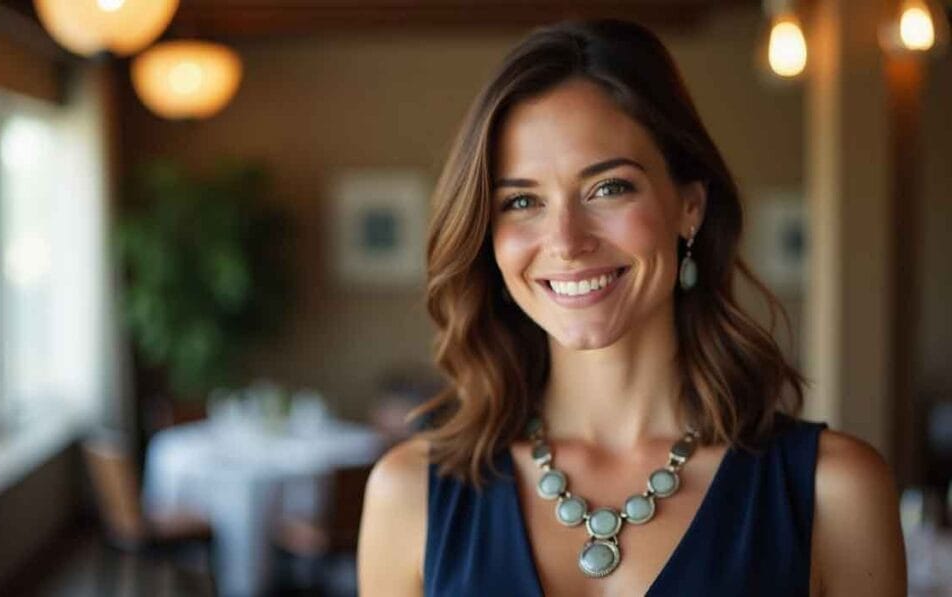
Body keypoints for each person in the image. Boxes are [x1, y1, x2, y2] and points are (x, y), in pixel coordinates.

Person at [358, 19, 906, 596]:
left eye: (609, 188)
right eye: (522, 201)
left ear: (688, 206)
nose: (566, 241)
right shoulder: (408, 494)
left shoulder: (834, 491)